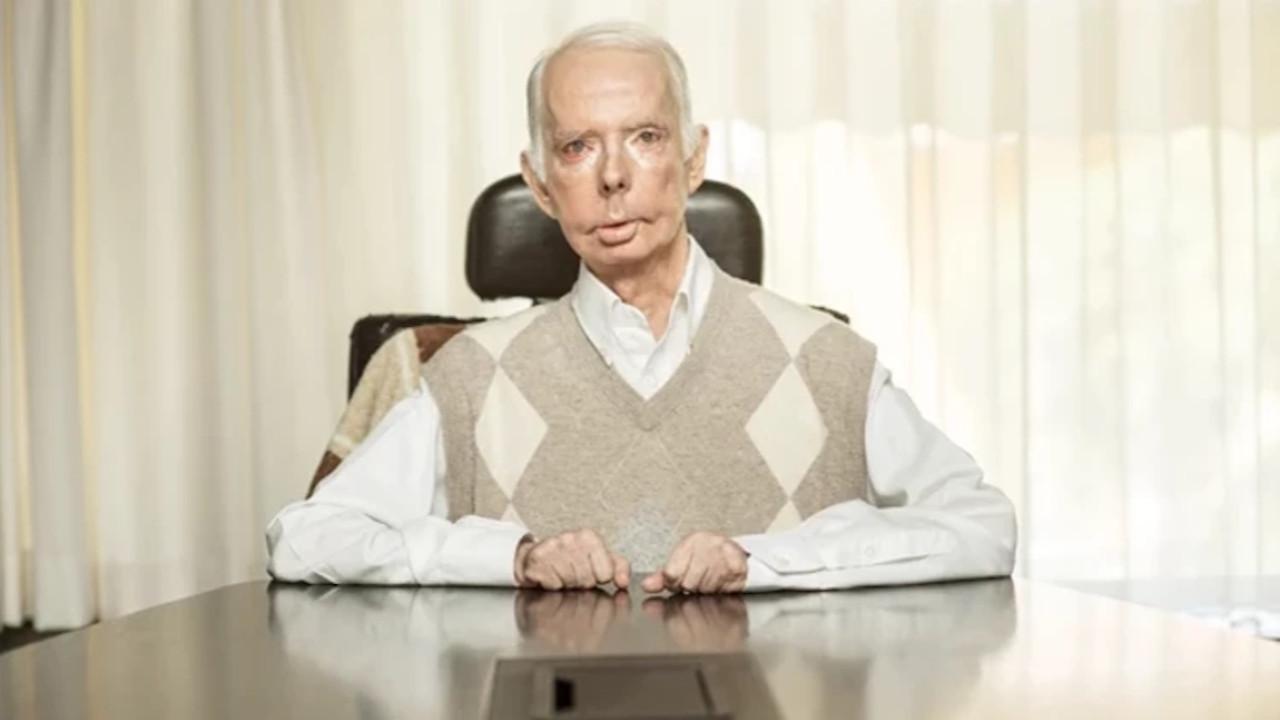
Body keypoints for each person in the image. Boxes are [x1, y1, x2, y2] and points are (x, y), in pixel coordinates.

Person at [265, 22, 1016, 595]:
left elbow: (983, 526)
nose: (614, 176)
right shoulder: (466, 377)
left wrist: (767, 562)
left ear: (694, 158)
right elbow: (303, 540)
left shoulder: (827, 361)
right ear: (539, 184)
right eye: (578, 147)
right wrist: (509, 558)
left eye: (646, 138)